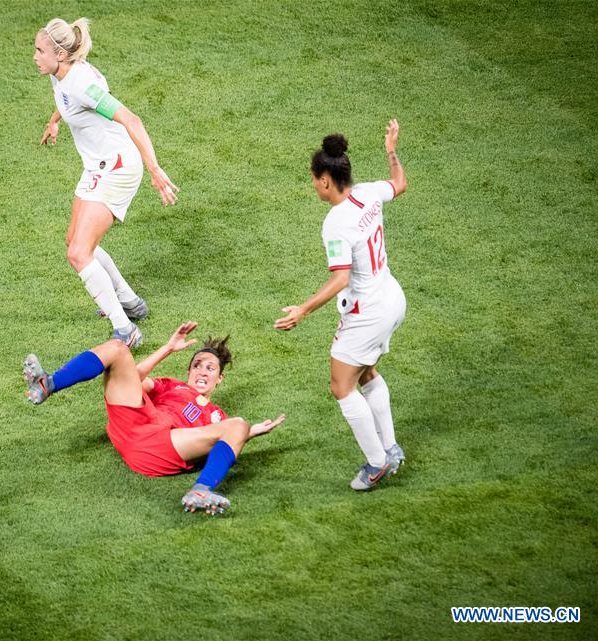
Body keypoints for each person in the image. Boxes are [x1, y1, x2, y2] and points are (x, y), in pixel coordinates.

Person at [23, 322, 285, 513]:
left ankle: (200, 491)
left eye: (210, 367)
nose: (202, 371)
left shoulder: (218, 415)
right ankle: (49, 383)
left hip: (163, 448)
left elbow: (218, 442)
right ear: (189, 370)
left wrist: (248, 433)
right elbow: (131, 379)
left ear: (220, 377)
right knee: (117, 348)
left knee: (238, 423)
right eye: (197, 365)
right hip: (133, 425)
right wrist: (168, 349)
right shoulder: (172, 385)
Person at [275, 120, 407, 491]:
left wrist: (303, 309)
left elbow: (340, 279)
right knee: (364, 373)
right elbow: (399, 184)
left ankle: (377, 463)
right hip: (392, 297)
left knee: (340, 385)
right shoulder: (367, 193)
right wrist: (391, 151)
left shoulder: (335, 222)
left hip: (368, 312)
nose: (312, 184)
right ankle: (390, 447)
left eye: (313, 178)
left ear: (326, 181)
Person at [34, 17, 180, 349]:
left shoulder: (81, 83)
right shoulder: (62, 74)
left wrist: (155, 169)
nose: (35, 57)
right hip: (97, 167)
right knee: (74, 240)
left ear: (58, 54)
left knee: (78, 253)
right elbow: (66, 101)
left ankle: (125, 329)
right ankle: (130, 301)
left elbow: (131, 118)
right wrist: (55, 121)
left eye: (40, 51)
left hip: (117, 167)